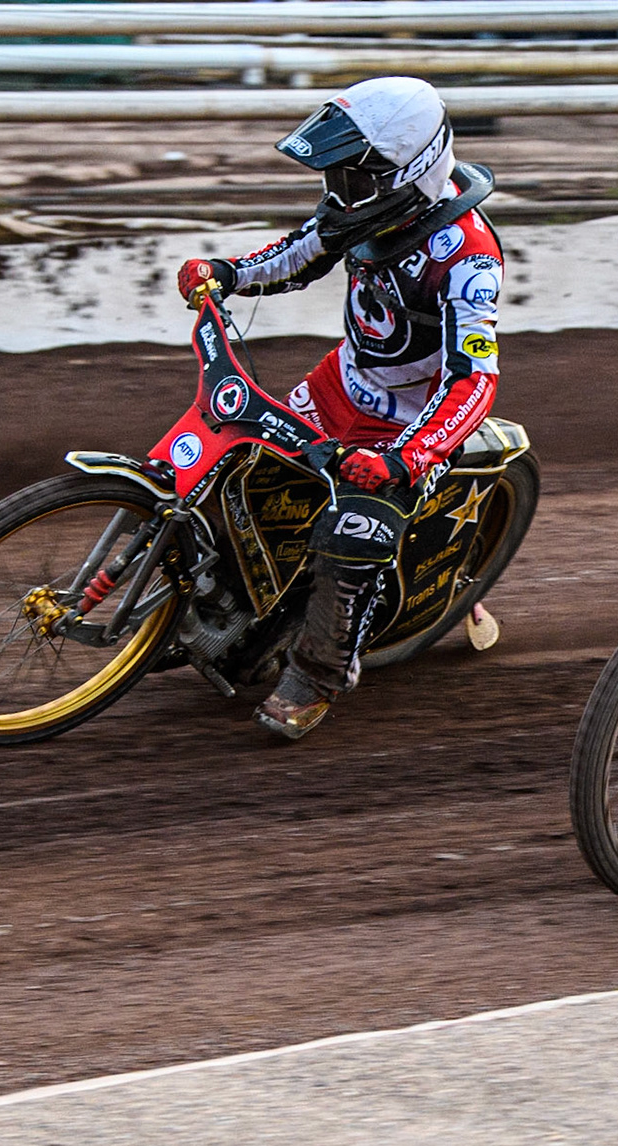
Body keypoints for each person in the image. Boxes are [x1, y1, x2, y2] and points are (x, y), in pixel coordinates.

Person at [174, 77, 505, 740]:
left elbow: (476, 381)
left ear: (406, 173)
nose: (336, 193)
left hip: (408, 425)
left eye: (352, 180)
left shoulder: (467, 257)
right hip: (338, 386)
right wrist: (229, 273)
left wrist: (407, 459)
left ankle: (316, 676)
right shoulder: (363, 211)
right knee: (231, 463)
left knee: (354, 536)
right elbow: (300, 252)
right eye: (335, 177)